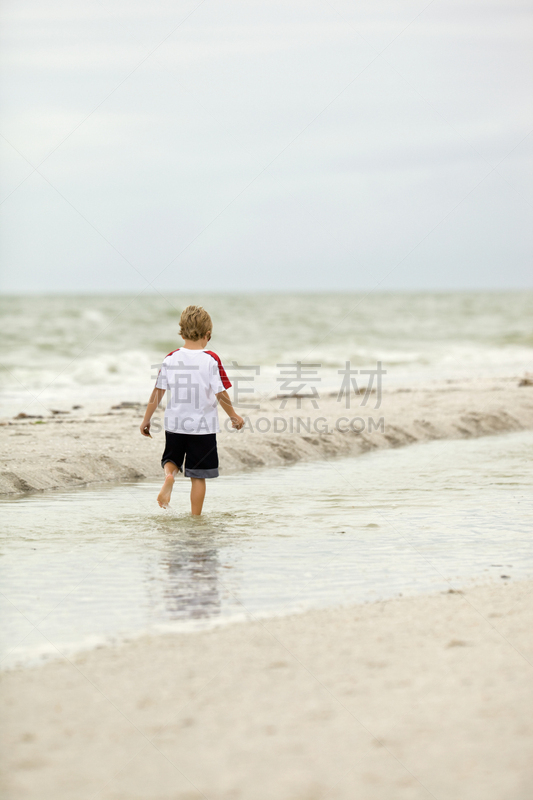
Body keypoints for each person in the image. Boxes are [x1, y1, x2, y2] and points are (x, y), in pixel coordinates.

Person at [140, 305, 244, 514]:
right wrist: (233, 416)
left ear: (182, 332)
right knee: (198, 476)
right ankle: (196, 519)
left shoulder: (170, 358)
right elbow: (220, 393)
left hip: (175, 424)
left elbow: (158, 392)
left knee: (171, 460)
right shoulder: (211, 360)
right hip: (202, 428)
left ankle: (169, 476)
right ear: (208, 335)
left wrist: (146, 419)